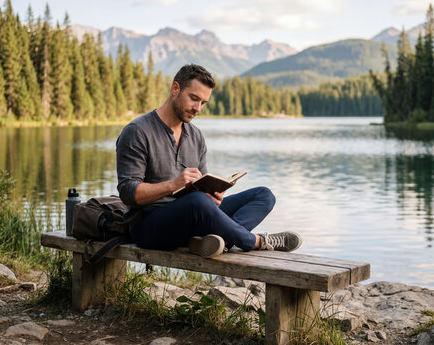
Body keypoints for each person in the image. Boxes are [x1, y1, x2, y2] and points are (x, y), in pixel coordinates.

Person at [116, 64, 302, 258]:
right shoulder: (137, 131)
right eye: (194, 99)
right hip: (148, 226)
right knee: (197, 202)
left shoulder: (196, 136)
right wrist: (173, 184)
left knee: (264, 195)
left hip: (193, 217)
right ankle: (255, 241)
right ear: (175, 89)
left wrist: (214, 195)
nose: (198, 108)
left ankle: (221, 240)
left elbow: (200, 191)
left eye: (203, 103)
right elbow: (128, 192)